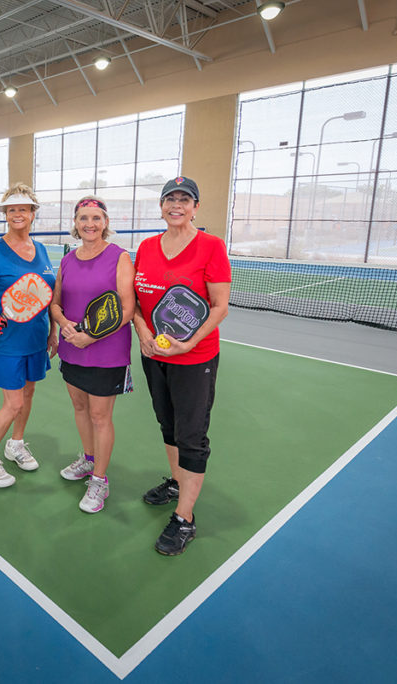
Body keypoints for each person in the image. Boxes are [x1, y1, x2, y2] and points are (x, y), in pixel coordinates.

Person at [132, 176, 231, 555]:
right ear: (161, 206)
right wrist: (141, 331)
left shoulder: (211, 246)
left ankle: (185, 518)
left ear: (195, 207)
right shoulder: (145, 247)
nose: (176, 205)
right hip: (154, 355)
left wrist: (188, 343)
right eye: (170, 199)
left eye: (184, 199)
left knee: (191, 434)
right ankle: (176, 481)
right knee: (167, 424)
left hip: (194, 358)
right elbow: (138, 304)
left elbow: (220, 305)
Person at [49, 196, 134, 513]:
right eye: (83, 218)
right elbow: (56, 302)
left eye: (96, 218)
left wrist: (90, 336)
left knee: (100, 417)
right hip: (72, 347)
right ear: (76, 223)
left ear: (106, 222)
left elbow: (127, 309)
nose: (89, 224)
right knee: (80, 407)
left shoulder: (120, 257)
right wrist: (63, 324)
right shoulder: (68, 259)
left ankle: (100, 480)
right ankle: (88, 460)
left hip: (107, 351)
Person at [0, 183, 57, 488]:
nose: (17, 214)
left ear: (33, 213)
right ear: (5, 214)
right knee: (13, 404)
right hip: (6, 341)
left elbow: (49, 295)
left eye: (23, 209)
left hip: (36, 337)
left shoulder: (43, 249)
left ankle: (15, 443)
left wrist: (53, 332)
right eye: (11, 209)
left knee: (28, 395)